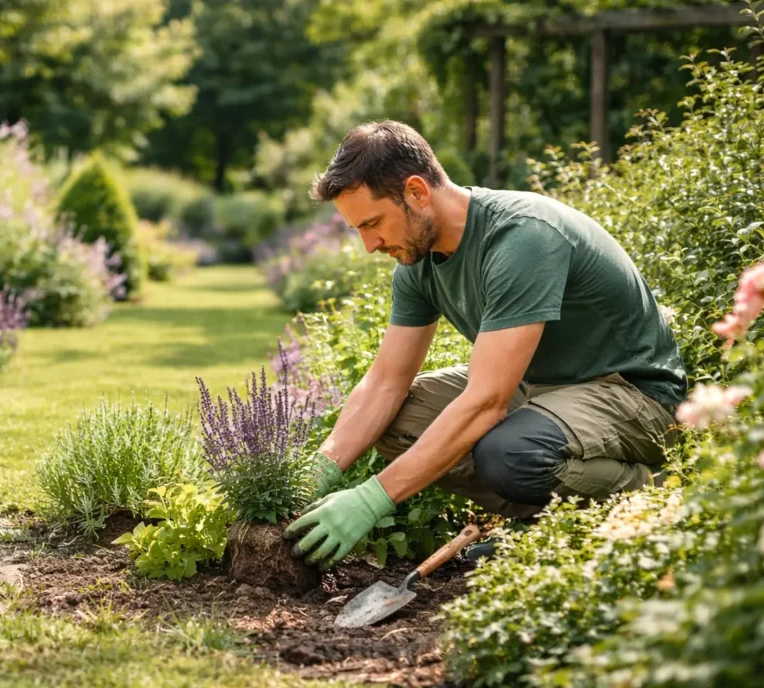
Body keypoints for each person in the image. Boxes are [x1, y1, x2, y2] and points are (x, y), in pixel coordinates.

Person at [283, 120, 687, 569]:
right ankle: (543, 519)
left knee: (511, 453)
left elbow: (487, 401)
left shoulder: (521, 237)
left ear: (417, 192)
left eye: (373, 223)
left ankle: (656, 491)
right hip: (544, 389)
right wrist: (318, 472)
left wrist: (373, 499)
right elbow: (384, 382)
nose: (369, 245)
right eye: (358, 229)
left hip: (632, 395)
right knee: (398, 421)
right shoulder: (418, 263)